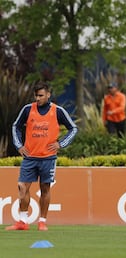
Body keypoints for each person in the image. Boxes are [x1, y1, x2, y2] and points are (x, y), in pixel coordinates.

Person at [6, 82, 78, 231]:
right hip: (30, 157)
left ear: (48, 95)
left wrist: (61, 144)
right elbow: (16, 126)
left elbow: (73, 128)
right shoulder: (27, 109)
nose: (38, 98)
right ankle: (23, 221)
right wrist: (19, 145)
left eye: (41, 95)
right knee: (22, 186)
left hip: (48, 158)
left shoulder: (57, 111)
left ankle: (42, 221)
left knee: (45, 188)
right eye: (36, 95)